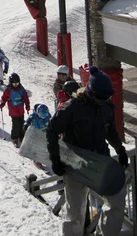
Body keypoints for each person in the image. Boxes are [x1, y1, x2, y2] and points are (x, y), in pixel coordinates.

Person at [46, 65, 129, 236]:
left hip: (100, 162)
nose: (105, 100)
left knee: (116, 200)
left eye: (107, 97)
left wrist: (120, 150)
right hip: (75, 165)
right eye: (101, 97)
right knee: (75, 211)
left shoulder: (107, 107)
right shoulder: (71, 107)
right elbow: (52, 130)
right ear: (91, 93)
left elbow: (111, 132)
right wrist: (55, 158)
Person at [0, 72, 30, 147]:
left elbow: (25, 97)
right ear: (11, 83)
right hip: (13, 111)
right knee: (16, 125)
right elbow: (4, 97)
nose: (16, 85)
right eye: (14, 84)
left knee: (22, 123)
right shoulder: (9, 90)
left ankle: (21, 136)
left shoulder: (21, 89)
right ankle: (14, 138)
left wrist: (27, 105)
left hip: (21, 110)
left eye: (17, 83)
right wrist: (3, 103)